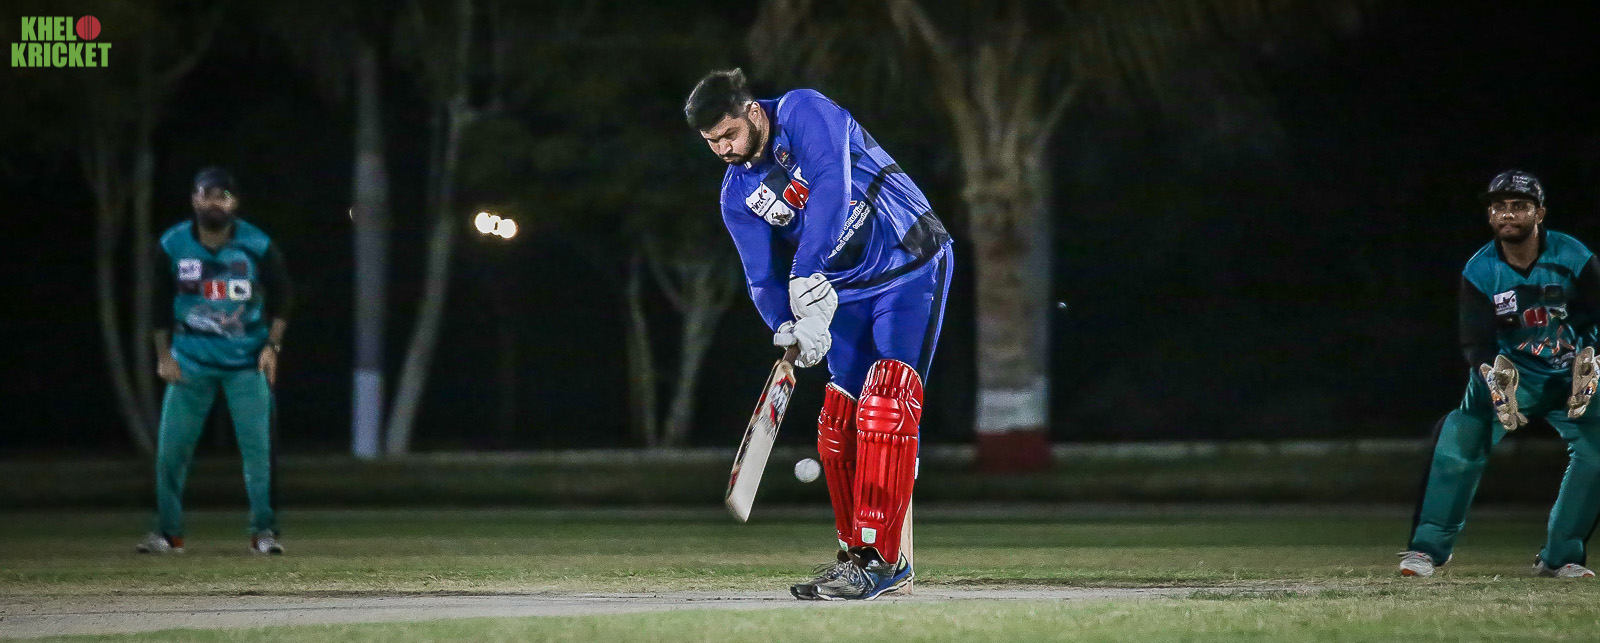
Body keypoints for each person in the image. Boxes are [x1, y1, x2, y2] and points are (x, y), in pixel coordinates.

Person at [685, 69, 953, 600]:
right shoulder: (737, 194)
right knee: (838, 420)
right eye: (712, 142)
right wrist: (786, 326)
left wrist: (806, 273)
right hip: (846, 294)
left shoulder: (803, 111)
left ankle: (883, 560)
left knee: (887, 401)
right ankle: (857, 557)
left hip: (909, 262)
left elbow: (832, 185)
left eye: (728, 135)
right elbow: (761, 279)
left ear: (752, 112)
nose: (723, 149)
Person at [1400, 170, 1600, 578]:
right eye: (1499, 207)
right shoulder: (1480, 269)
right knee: (1457, 440)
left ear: (1539, 213)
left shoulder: (1574, 256)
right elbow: (1475, 340)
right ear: (1491, 215)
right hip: (1510, 373)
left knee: (1597, 454)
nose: (1508, 214)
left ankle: (1560, 557)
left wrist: (1594, 357)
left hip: (1573, 374)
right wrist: (1491, 375)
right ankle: (1427, 550)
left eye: (1520, 206)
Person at [136, 167, 292, 556]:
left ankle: (264, 531)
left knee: (259, 453)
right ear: (194, 199)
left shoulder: (257, 244)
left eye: (222, 196)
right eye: (207, 194)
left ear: (234, 203)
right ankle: (169, 533)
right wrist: (163, 356)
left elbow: (283, 297)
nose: (214, 202)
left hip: (246, 363)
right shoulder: (173, 244)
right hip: (190, 361)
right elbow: (157, 304)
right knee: (170, 452)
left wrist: (272, 347)